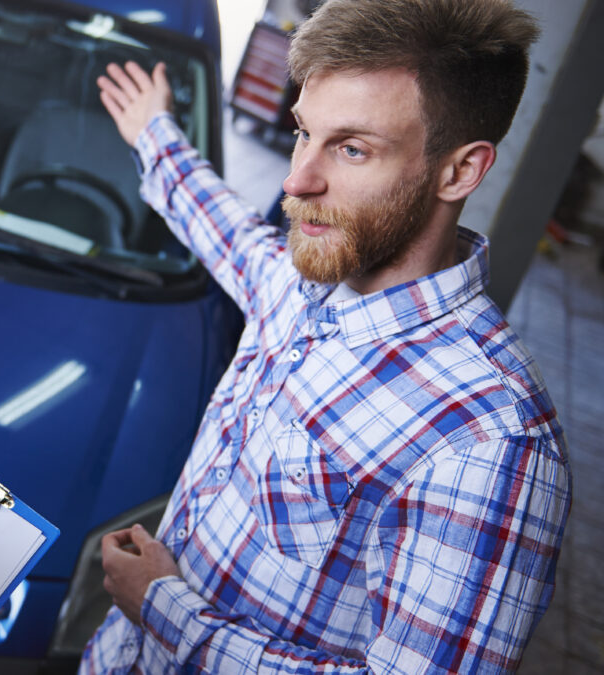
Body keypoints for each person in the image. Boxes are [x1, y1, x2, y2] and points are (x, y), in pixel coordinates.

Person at [81, 0, 571, 672]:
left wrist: (163, 607)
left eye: (351, 148)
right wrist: (153, 131)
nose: (297, 179)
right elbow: (222, 227)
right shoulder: (303, 281)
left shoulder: (491, 439)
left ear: (459, 171)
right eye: (303, 132)